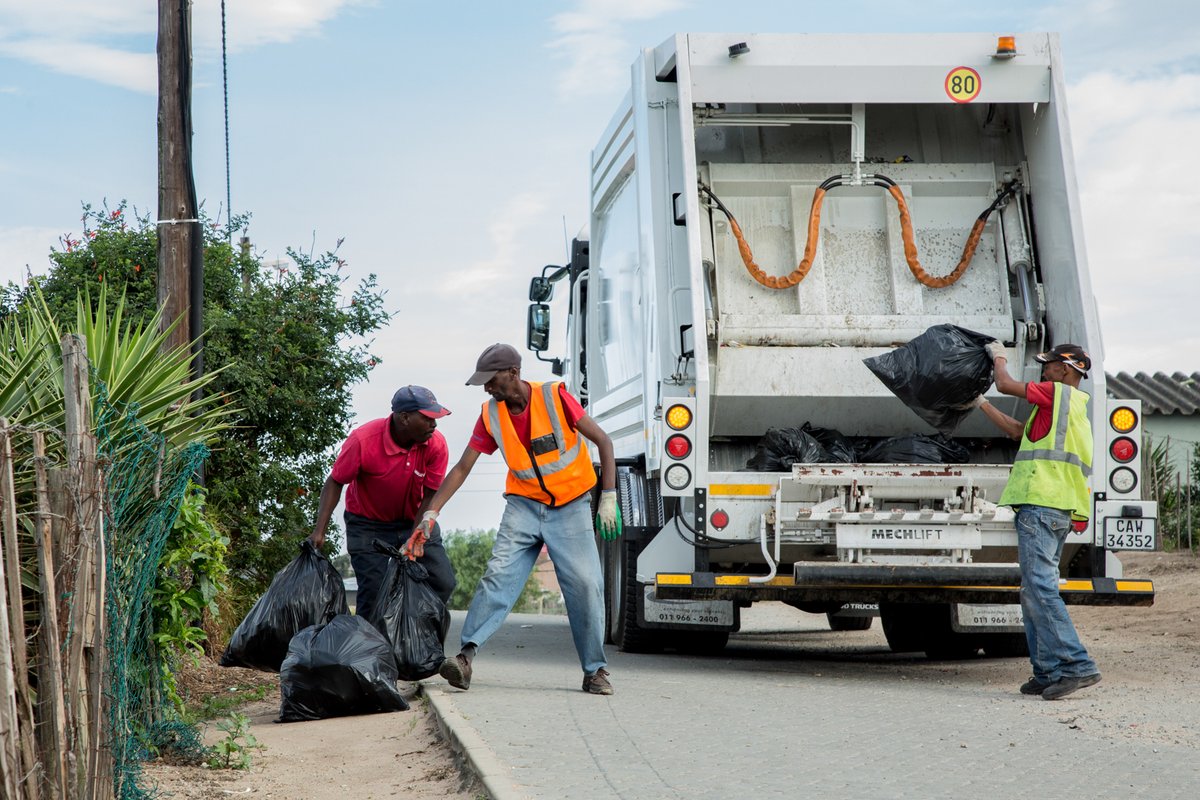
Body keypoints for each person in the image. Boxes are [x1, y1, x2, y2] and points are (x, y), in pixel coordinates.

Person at [406, 343, 623, 696]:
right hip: (523, 506)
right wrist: (431, 513)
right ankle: (464, 659)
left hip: (570, 506)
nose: (487, 389)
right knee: (498, 577)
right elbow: (462, 467)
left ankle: (595, 671)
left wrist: (609, 497)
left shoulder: (555, 397)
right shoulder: (491, 414)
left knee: (586, 585)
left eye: (491, 381)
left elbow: (604, 442)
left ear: (513, 373)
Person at [966, 342, 1101, 701]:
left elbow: (1005, 384)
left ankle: (1076, 664)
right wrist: (980, 404)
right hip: (1057, 508)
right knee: (1033, 590)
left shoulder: (1057, 393)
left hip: (1042, 504)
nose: (1044, 369)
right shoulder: (1070, 408)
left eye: (1050, 364)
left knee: (1040, 589)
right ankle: (1047, 671)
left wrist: (998, 356)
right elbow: (1017, 431)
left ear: (1067, 369)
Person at [309, 385, 457, 623]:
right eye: (428, 418)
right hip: (368, 525)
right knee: (373, 594)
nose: (434, 425)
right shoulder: (363, 440)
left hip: (415, 519)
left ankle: (414, 632)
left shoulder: (435, 444)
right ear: (404, 418)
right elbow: (335, 481)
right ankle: (367, 644)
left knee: (443, 581)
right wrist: (319, 531)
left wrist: (415, 536)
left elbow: (430, 495)